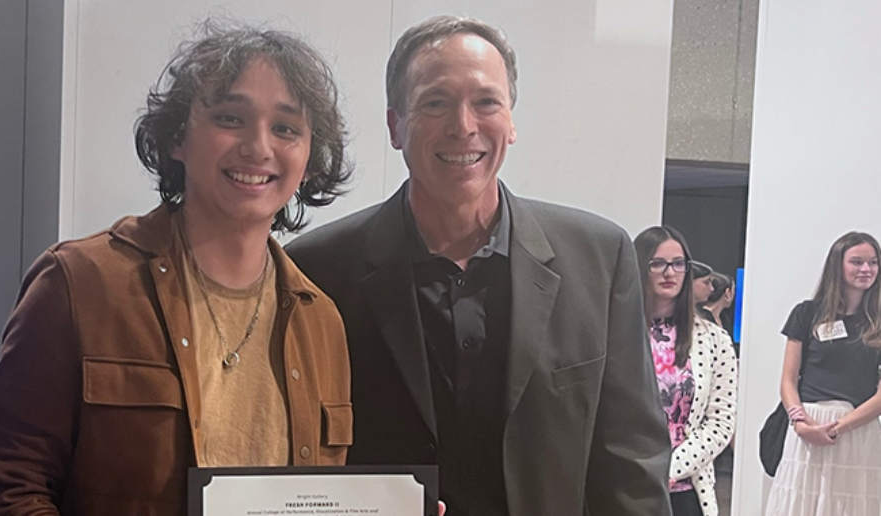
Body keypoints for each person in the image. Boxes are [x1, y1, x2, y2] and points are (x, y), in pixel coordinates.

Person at [287, 15, 671, 516]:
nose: (463, 126)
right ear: (395, 126)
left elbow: (632, 464)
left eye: (486, 102)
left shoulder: (599, 258)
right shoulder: (316, 270)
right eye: (435, 103)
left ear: (511, 120)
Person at [0, 22, 353, 516]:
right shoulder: (78, 283)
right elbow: (8, 488)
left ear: (308, 158)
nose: (259, 147)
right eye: (230, 118)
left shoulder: (322, 322)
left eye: (285, 128)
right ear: (177, 138)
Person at [765, 231, 881, 516]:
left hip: (857, 429)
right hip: (806, 427)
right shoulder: (807, 313)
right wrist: (800, 422)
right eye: (857, 262)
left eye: (873, 262)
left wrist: (838, 428)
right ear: (837, 266)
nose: (866, 269)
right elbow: (788, 380)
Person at [634, 226, 737, 516]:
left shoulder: (714, 340)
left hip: (685, 488)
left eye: (678, 264)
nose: (669, 272)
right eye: (658, 263)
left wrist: (670, 468)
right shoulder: (615, 331)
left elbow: (720, 422)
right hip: (626, 481)